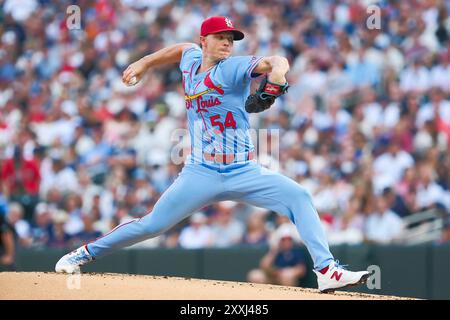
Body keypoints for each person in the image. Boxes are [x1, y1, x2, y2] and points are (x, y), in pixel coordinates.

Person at [55, 16, 369, 293]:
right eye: (220, 37)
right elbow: (179, 48)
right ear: (204, 41)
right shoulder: (191, 59)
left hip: (242, 171)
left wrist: (274, 83)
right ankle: (82, 254)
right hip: (201, 171)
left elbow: (278, 61)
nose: (227, 44)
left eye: (231, 39)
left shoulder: (231, 68)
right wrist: (145, 62)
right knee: (152, 225)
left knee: (299, 196)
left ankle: (326, 271)